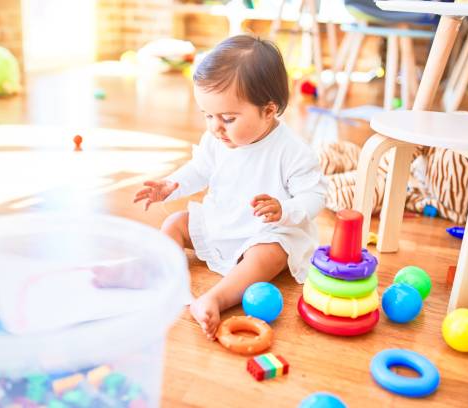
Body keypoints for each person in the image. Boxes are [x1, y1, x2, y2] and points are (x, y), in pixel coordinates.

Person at [110, 34, 328, 339]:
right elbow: (200, 169)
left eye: (227, 118)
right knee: (174, 223)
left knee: (270, 254)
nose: (215, 127)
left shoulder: (292, 150)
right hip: (223, 219)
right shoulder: (217, 139)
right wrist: (173, 184)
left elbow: (315, 195)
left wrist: (285, 209)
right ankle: (160, 270)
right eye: (208, 116)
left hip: (265, 231)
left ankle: (216, 297)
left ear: (268, 110)